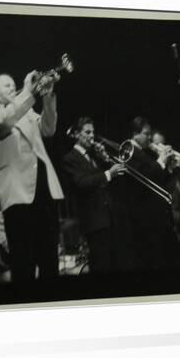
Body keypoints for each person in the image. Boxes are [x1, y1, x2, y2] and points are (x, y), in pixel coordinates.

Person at [0, 71, 64, 282]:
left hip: (44, 190)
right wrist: (27, 90)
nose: (12, 88)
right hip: (17, 194)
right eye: (6, 85)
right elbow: (5, 122)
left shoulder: (27, 110)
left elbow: (49, 128)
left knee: (49, 259)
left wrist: (47, 97)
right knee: (23, 261)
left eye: (13, 84)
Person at [61, 117, 126, 273]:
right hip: (93, 221)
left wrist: (106, 160)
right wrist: (108, 173)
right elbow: (81, 182)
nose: (92, 136)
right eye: (87, 132)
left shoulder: (94, 156)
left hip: (108, 217)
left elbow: (113, 180)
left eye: (93, 132)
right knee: (101, 265)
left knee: (114, 264)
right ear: (76, 134)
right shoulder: (69, 158)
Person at [125, 117, 176, 270]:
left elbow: (157, 180)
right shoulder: (130, 151)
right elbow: (144, 177)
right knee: (149, 260)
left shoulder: (142, 152)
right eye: (146, 134)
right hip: (143, 216)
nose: (149, 137)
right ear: (135, 134)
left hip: (152, 215)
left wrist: (169, 167)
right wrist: (161, 160)